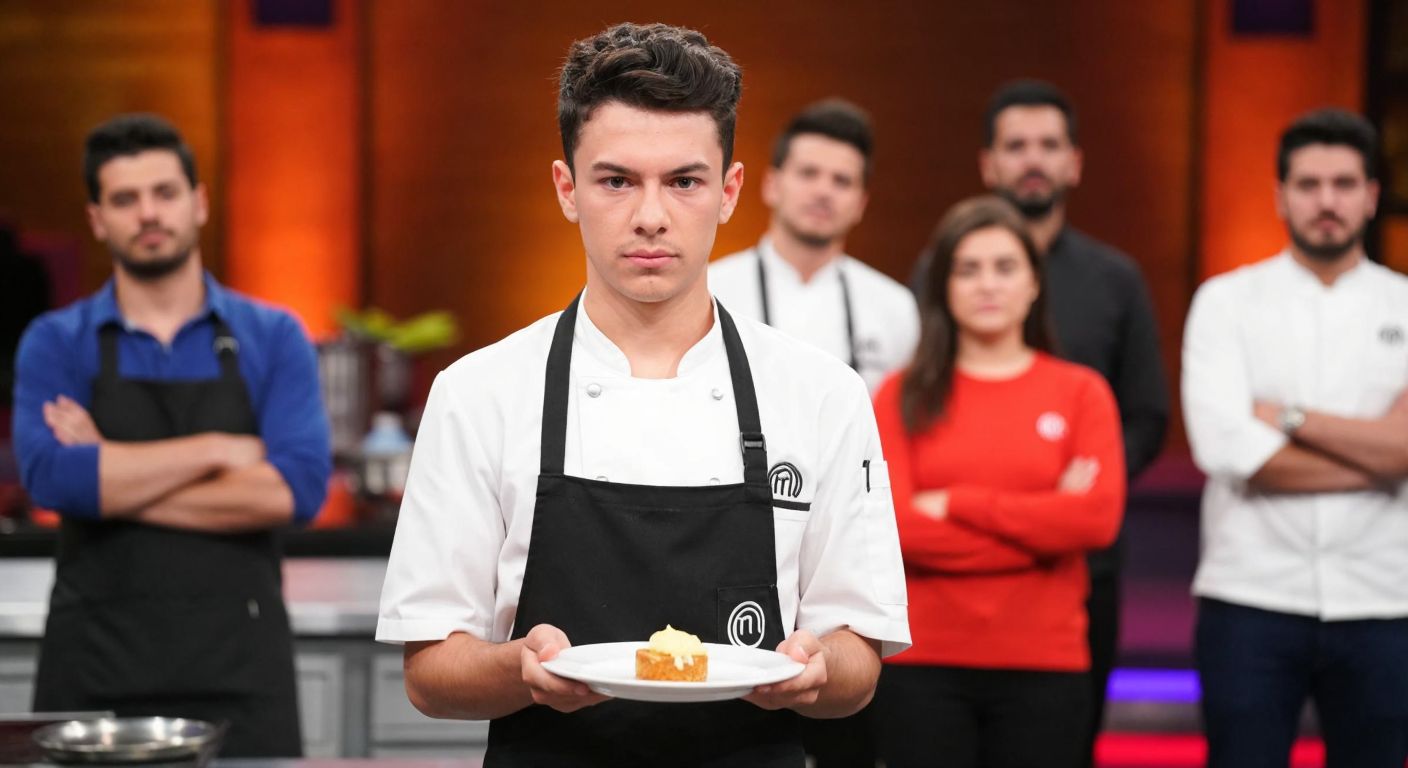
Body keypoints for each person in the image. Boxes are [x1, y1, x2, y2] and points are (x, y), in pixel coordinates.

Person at [375, 22, 910, 767]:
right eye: (616, 180)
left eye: (684, 182)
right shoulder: (478, 393)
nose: (650, 216)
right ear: (567, 189)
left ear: (729, 193)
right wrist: (521, 668)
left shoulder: (822, 395)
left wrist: (815, 672)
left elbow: (858, 658)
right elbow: (430, 673)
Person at [12, 114, 332, 757]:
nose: (148, 213)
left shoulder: (273, 336)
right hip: (94, 672)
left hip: (242, 677)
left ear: (199, 203)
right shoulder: (56, 341)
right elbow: (53, 479)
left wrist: (110, 473)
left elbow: (293, 490)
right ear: (98, 218)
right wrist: (218, 452)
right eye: (125, 199)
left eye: (164, 193)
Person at [1182, 108, 1408, 768]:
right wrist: (1386, 455)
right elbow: (1227, 451)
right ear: (1281, 195)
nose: (1327, 201)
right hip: (1250, 594)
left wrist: (1287, 418)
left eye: (1344, 183)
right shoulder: (1226, 302)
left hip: (1386, 595)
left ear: (1371, 195)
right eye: (1309, 184)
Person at [873, 195, 1125, 768]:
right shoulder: (900, 394)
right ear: (943, 286)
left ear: (1035, 283)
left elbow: (1095, 519)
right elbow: (899, 530)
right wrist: (1043, 522)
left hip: (1046, 665)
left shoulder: (1082, 393)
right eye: (968, 269)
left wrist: (958, 503)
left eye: (1005, 267)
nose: (988, 284)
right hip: (923, 664)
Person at [970, 79, 1169, 760]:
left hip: (1084, 567)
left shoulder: (1116, 280)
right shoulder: (946, 275)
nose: (1034, 159)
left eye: (1049, 145)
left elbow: (1145, 416)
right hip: (961, 571)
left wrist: (1075, 498)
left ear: (1074, 162)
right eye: (1016, 146)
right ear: (988, 165)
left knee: (1066, 748)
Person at [709, 99, 918, 394]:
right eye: (808, 173)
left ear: (861, 204)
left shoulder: (895, 307)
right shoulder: (711, 290)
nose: (823, 191)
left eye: (842, 181)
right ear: (772, 185)